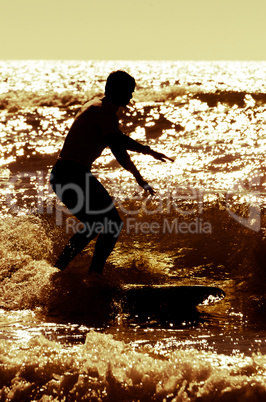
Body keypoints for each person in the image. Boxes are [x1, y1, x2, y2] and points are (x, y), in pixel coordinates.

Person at [50, 71, 173, 274]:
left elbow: (118, 138)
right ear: (115, 90)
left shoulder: (97, 105)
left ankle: (59, 271)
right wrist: (139, 177)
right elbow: (118, 149)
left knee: (95, 224)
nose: (131, 97)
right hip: (72, 174)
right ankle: (92, 275)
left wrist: (148, 151)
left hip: (65, 174)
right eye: (128, 92)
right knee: (111, 223)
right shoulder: (104, 112)